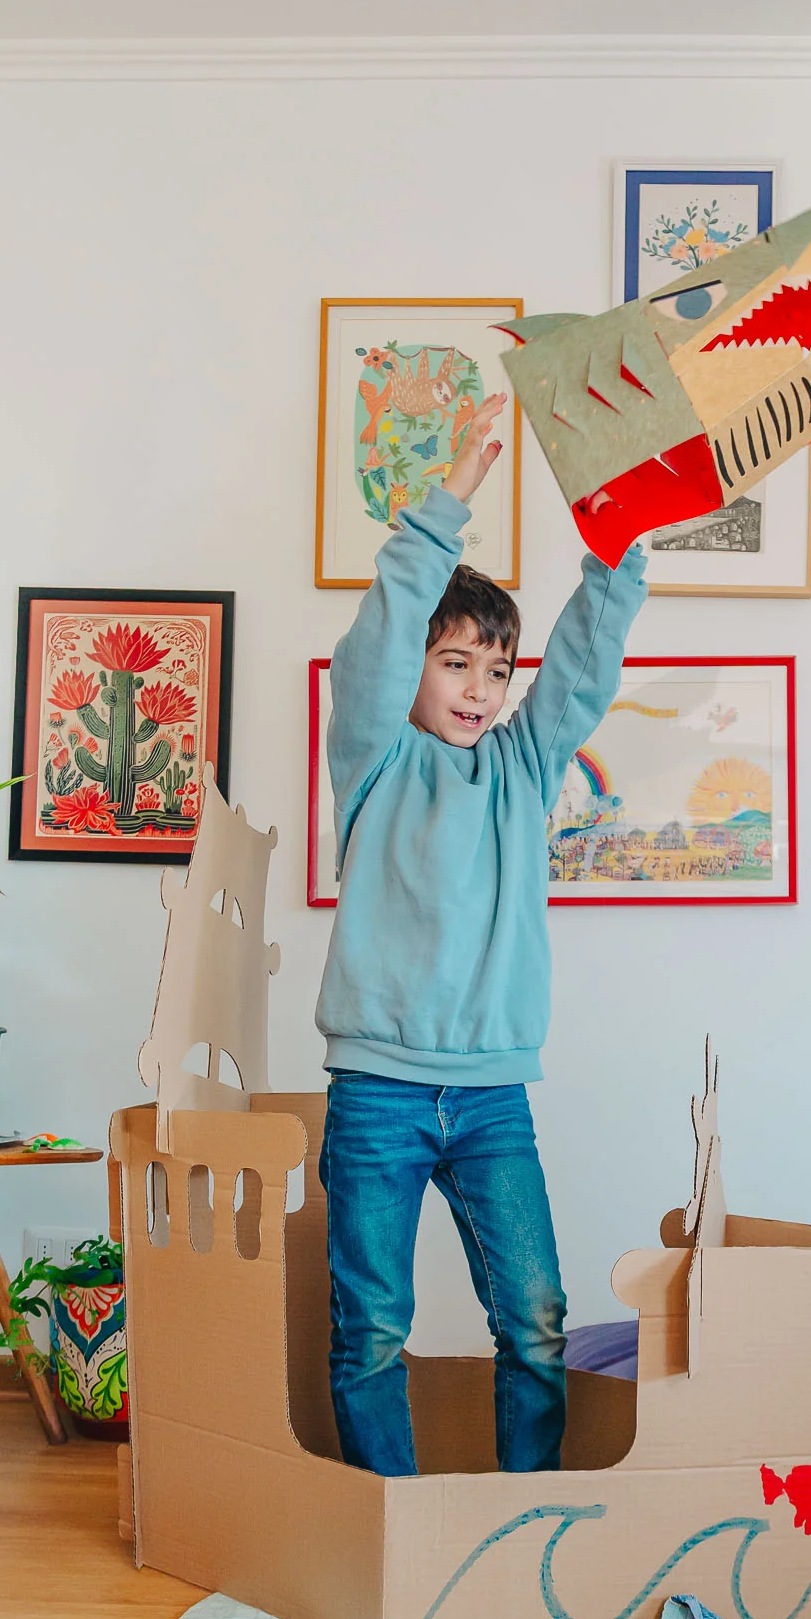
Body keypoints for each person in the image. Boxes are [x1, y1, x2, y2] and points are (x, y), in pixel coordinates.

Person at [316, 392, 648, 1477]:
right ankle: (388, 1518)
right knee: (371, 1327)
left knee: (536, 1318)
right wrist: (448, 500)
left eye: (497, 669)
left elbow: (585, 665)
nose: (479, 688)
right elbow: (376, 643)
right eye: (455, 662)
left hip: (493, 1093)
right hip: (378, 1090)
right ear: (414, 669)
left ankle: (525, 1513)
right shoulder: (373, 756)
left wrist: (620, 540)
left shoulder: (523, 764)